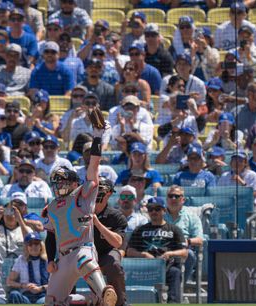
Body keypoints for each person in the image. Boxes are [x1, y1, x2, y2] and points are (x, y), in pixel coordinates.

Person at [42, 111, 118, 306]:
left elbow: (94, 166)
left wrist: (98, 137)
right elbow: (50, 235)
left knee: (84, 260)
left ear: (74, 182)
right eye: (57, 183)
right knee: (51, 301)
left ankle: (104, 291)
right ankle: (92, 301)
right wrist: (51, 259)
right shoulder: (51, 207)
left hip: (83, 249)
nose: (60, 186)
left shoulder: (82, 195)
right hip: (63, 257)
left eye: (64, 182)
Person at [127, 197, 188, 303]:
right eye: (150, 209)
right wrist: (144, 255)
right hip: (144, 268)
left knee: (175, 272)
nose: (153, 212)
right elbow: (129, 251)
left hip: (167, 267)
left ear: (164, 210)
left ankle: (174, 303)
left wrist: (170, 253)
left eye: (157, 209)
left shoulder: (174, 230)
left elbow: (184, 252)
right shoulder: (140, 230)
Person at [92, 177, 128, 306]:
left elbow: (117, 243)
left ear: (109, 193)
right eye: (95, 189)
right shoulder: (79, 212)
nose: (97, 193)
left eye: (101, 190)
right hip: (84, 252)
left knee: (114, 265)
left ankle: (120, 303)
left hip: (107, 252)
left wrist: (96, 222)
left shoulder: (116, 216)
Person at [163, 185, 205, 284]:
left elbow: (200, 240)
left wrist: (186, 241)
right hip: (162, 249)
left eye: (177, 196)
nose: (173, 198)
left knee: (190, 254)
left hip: (182, 250)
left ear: (183, 199)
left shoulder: (191, 216)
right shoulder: (159, 213)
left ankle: (179, 286)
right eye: (170, 196)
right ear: (166, 198)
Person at [6, 232, 48, 304]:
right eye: (30, 244)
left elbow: (56, 283)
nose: (33, 246)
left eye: (36, 243)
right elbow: (9, 281)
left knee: (41, 303)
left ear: (41, 246)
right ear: (26, 247)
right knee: (14, 294)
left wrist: (40, 288)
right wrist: (24, 285)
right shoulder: (21, 260)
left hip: (44, 294)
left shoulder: (48, 260)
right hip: (26, 295)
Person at [0, 193, 34, 259]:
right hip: (0, 263)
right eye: (7, 211)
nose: (9, 214)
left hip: (20, 264)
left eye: (13, 211)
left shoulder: (26, 229)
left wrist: (19, 219)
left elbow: (30, 242)